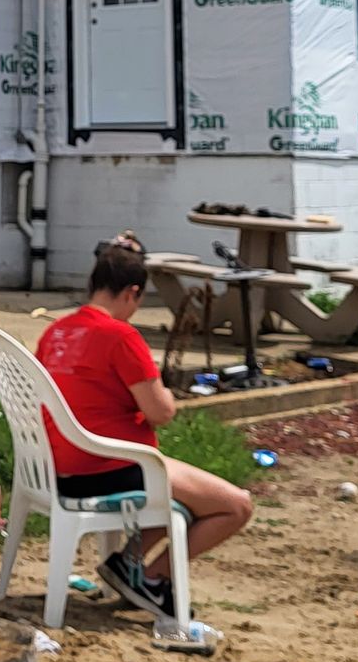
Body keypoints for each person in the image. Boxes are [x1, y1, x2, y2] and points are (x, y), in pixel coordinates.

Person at [35, 240, 253, 617]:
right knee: (236, 506)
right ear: (132, 293)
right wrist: (163, 392)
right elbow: (160, 412)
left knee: (185, 496)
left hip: (59, 467)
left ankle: (127, 563)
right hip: (112, 467)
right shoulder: (120, 336)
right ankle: (152, 577)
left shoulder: (55, 333)